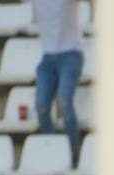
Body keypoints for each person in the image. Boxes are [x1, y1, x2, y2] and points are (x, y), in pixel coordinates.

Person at [31, 0, 84, 161]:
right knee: (41, 105)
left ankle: (73, 151)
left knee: (64, 101)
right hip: (48, 56)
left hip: (70, 53)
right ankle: (53, 150)